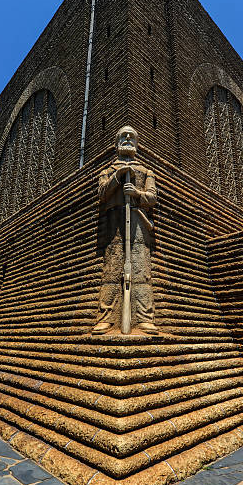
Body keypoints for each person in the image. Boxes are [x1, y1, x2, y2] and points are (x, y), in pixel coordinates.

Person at [92, 126, 158, 335]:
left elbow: (152, 197)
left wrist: (137, 193)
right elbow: (102, 194)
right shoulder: (108, 171)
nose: (128, 138)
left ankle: (145, 317)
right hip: (114, 221)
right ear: (116, 142)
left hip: (138, 221)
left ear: (137, 144)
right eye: (123, 136)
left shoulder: (146, 171)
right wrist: (117, 177)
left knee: (140, 270)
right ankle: (105, 318)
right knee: (111, 269)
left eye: (132, 137)